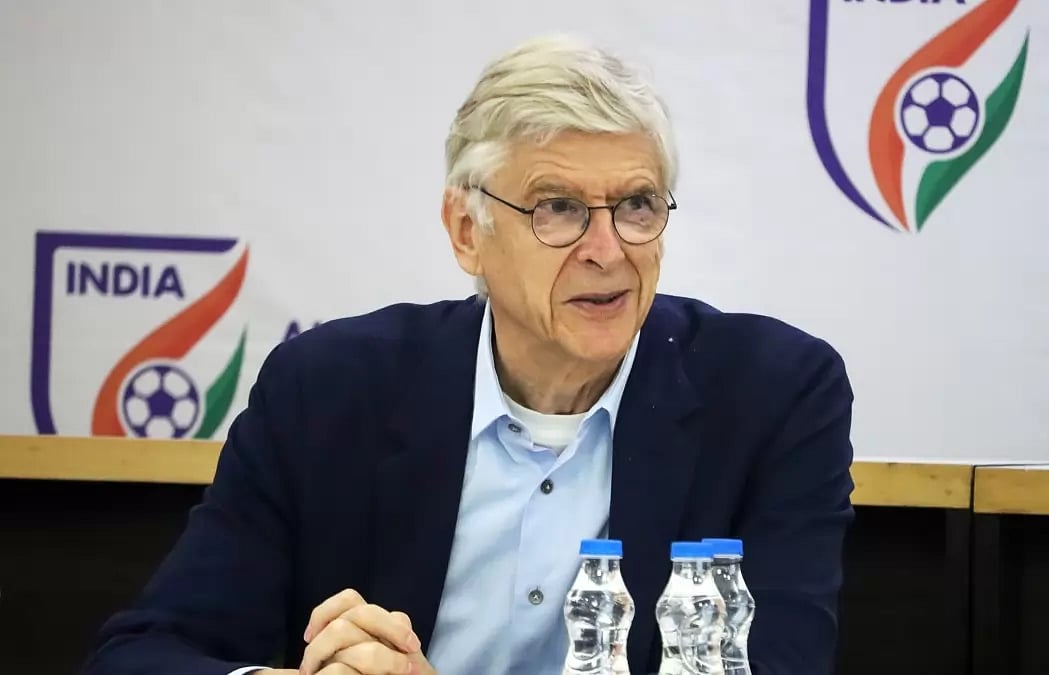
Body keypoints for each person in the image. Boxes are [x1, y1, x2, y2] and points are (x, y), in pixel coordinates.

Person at [82, 34, 855, 675]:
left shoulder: (771, 396)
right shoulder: (327, 390)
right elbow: (142, 653)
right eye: (558, 208)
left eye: (637, 206)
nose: (607, 249)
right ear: (465, 231)